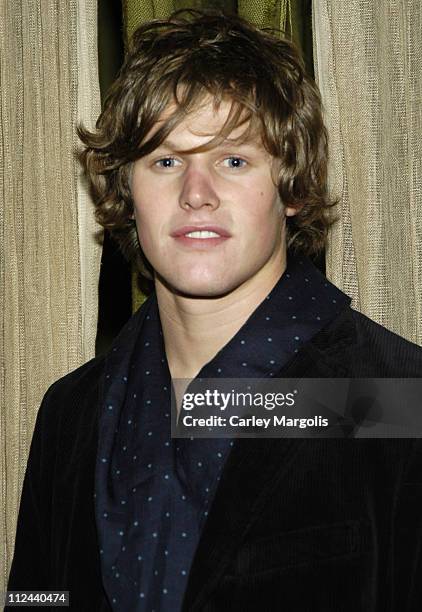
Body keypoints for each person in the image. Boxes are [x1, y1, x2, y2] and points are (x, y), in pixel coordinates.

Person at [6, 9, 422, 612]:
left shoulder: (394, 399)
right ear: (127, 193)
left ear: (293, 187)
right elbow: (37, 599)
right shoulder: (73, 413)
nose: (195, 193)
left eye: (232, 160)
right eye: (165, 160)